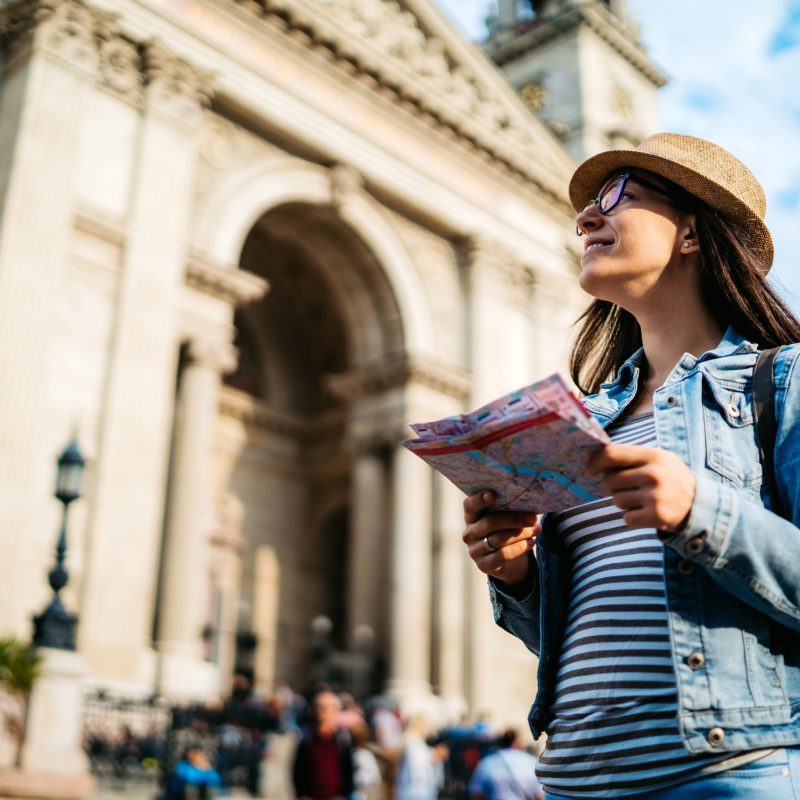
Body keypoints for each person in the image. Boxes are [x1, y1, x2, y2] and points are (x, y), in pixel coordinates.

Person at [461, 133, 800, 798]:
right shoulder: (579, 423)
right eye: (587, 204)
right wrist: (520, 576)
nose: (586, 216)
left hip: (728, 778)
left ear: (691, 234)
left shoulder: (783, 382)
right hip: (572, 781)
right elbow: (583, 640)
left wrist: (702, 513)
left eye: (617, 198)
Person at [292, 688, 355, 800]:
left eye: (327, 707)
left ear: (336, 710)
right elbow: (298, 771)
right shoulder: (307, 738)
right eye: (319, 706)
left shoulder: (343, 740)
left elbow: (348, 771)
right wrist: (302, 794)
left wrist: (343, 795)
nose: (323, 710)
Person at [468, 728, 544, 800]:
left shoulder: (487, 762)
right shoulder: (532, 762)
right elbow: (540, 795)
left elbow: (476, 793)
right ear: (519, 743)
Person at [395, 715, 447, 800]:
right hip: (417, 793)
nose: (431, 730)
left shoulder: (412, 743)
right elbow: (418, 772)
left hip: (413, 792)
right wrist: (433, 760)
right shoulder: (414, 744)